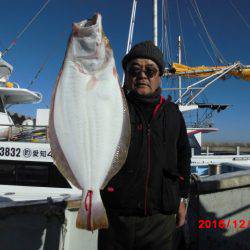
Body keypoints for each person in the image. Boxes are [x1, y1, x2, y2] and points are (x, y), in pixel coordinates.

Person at [99, 40, 191, 250]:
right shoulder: (111, 108)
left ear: (159, 76)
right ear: (128, 76)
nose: (142, 75)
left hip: (161, 220)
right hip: (116, 216)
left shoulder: (173, 114)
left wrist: (182, 198)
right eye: (134, 70)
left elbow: (184, 156)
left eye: (150, 70)